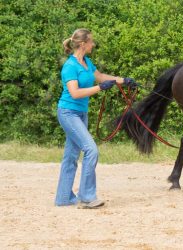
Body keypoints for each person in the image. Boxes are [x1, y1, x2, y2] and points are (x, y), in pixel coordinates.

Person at [55, 28, 136, 208]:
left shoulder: (86, 62)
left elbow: (99, 77)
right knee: (91, 150)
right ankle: (87, 197)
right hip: (68, 113)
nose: (93, 44)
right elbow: (75, 93)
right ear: (83, 44)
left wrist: (122, 80)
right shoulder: (70, 66)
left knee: (71, 155)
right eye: (91, 41)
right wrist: (101, 88)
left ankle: (63, 198)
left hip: (80, 114)